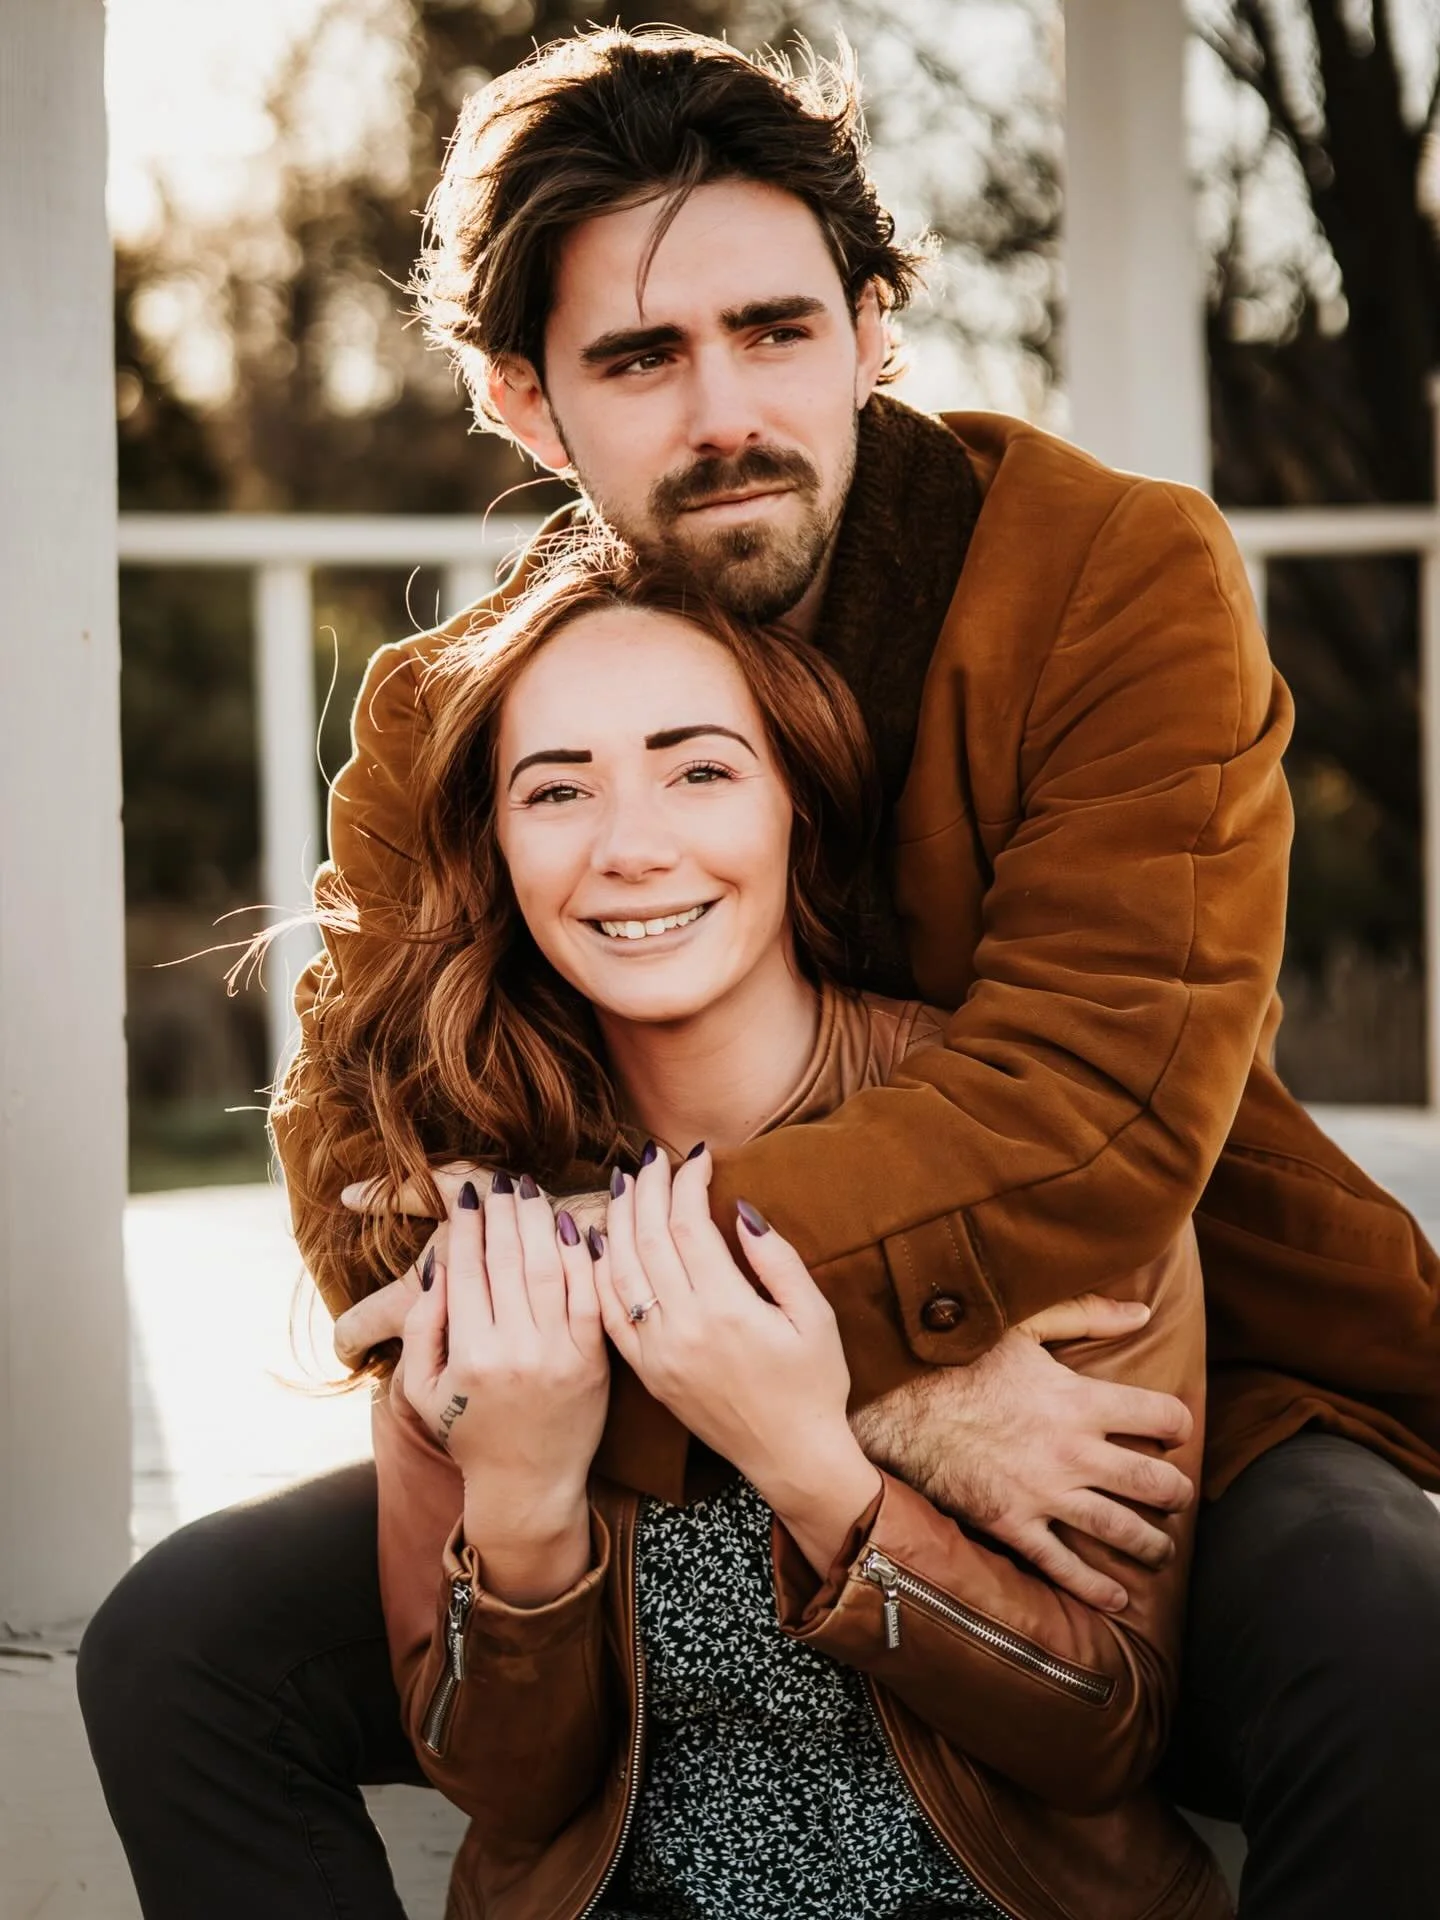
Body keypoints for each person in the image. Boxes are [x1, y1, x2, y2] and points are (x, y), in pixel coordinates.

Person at [77, 27, 1440, 1920]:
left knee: (1389, 1621)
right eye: (639, 356)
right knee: (183, 1642)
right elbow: (366, 1193)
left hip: (1126, 1385)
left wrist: (672, 1347)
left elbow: (1088, 1123)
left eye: (778, 327)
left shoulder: (1115, 580)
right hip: (682, 1430)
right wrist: (847, 1402)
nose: (727, 408)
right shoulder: (451, 715)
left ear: (874, 325)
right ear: (523, 401)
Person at [368, 551, 1225, 1919]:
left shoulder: (1029, 1156)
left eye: (699, 771)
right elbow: (505, 1792)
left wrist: (817, 1463)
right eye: (558, 788)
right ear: (500, 850)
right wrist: (524, 1501)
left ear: (799, 812)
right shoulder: (478, 1201)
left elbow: (1107, 1731)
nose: (629, 845)